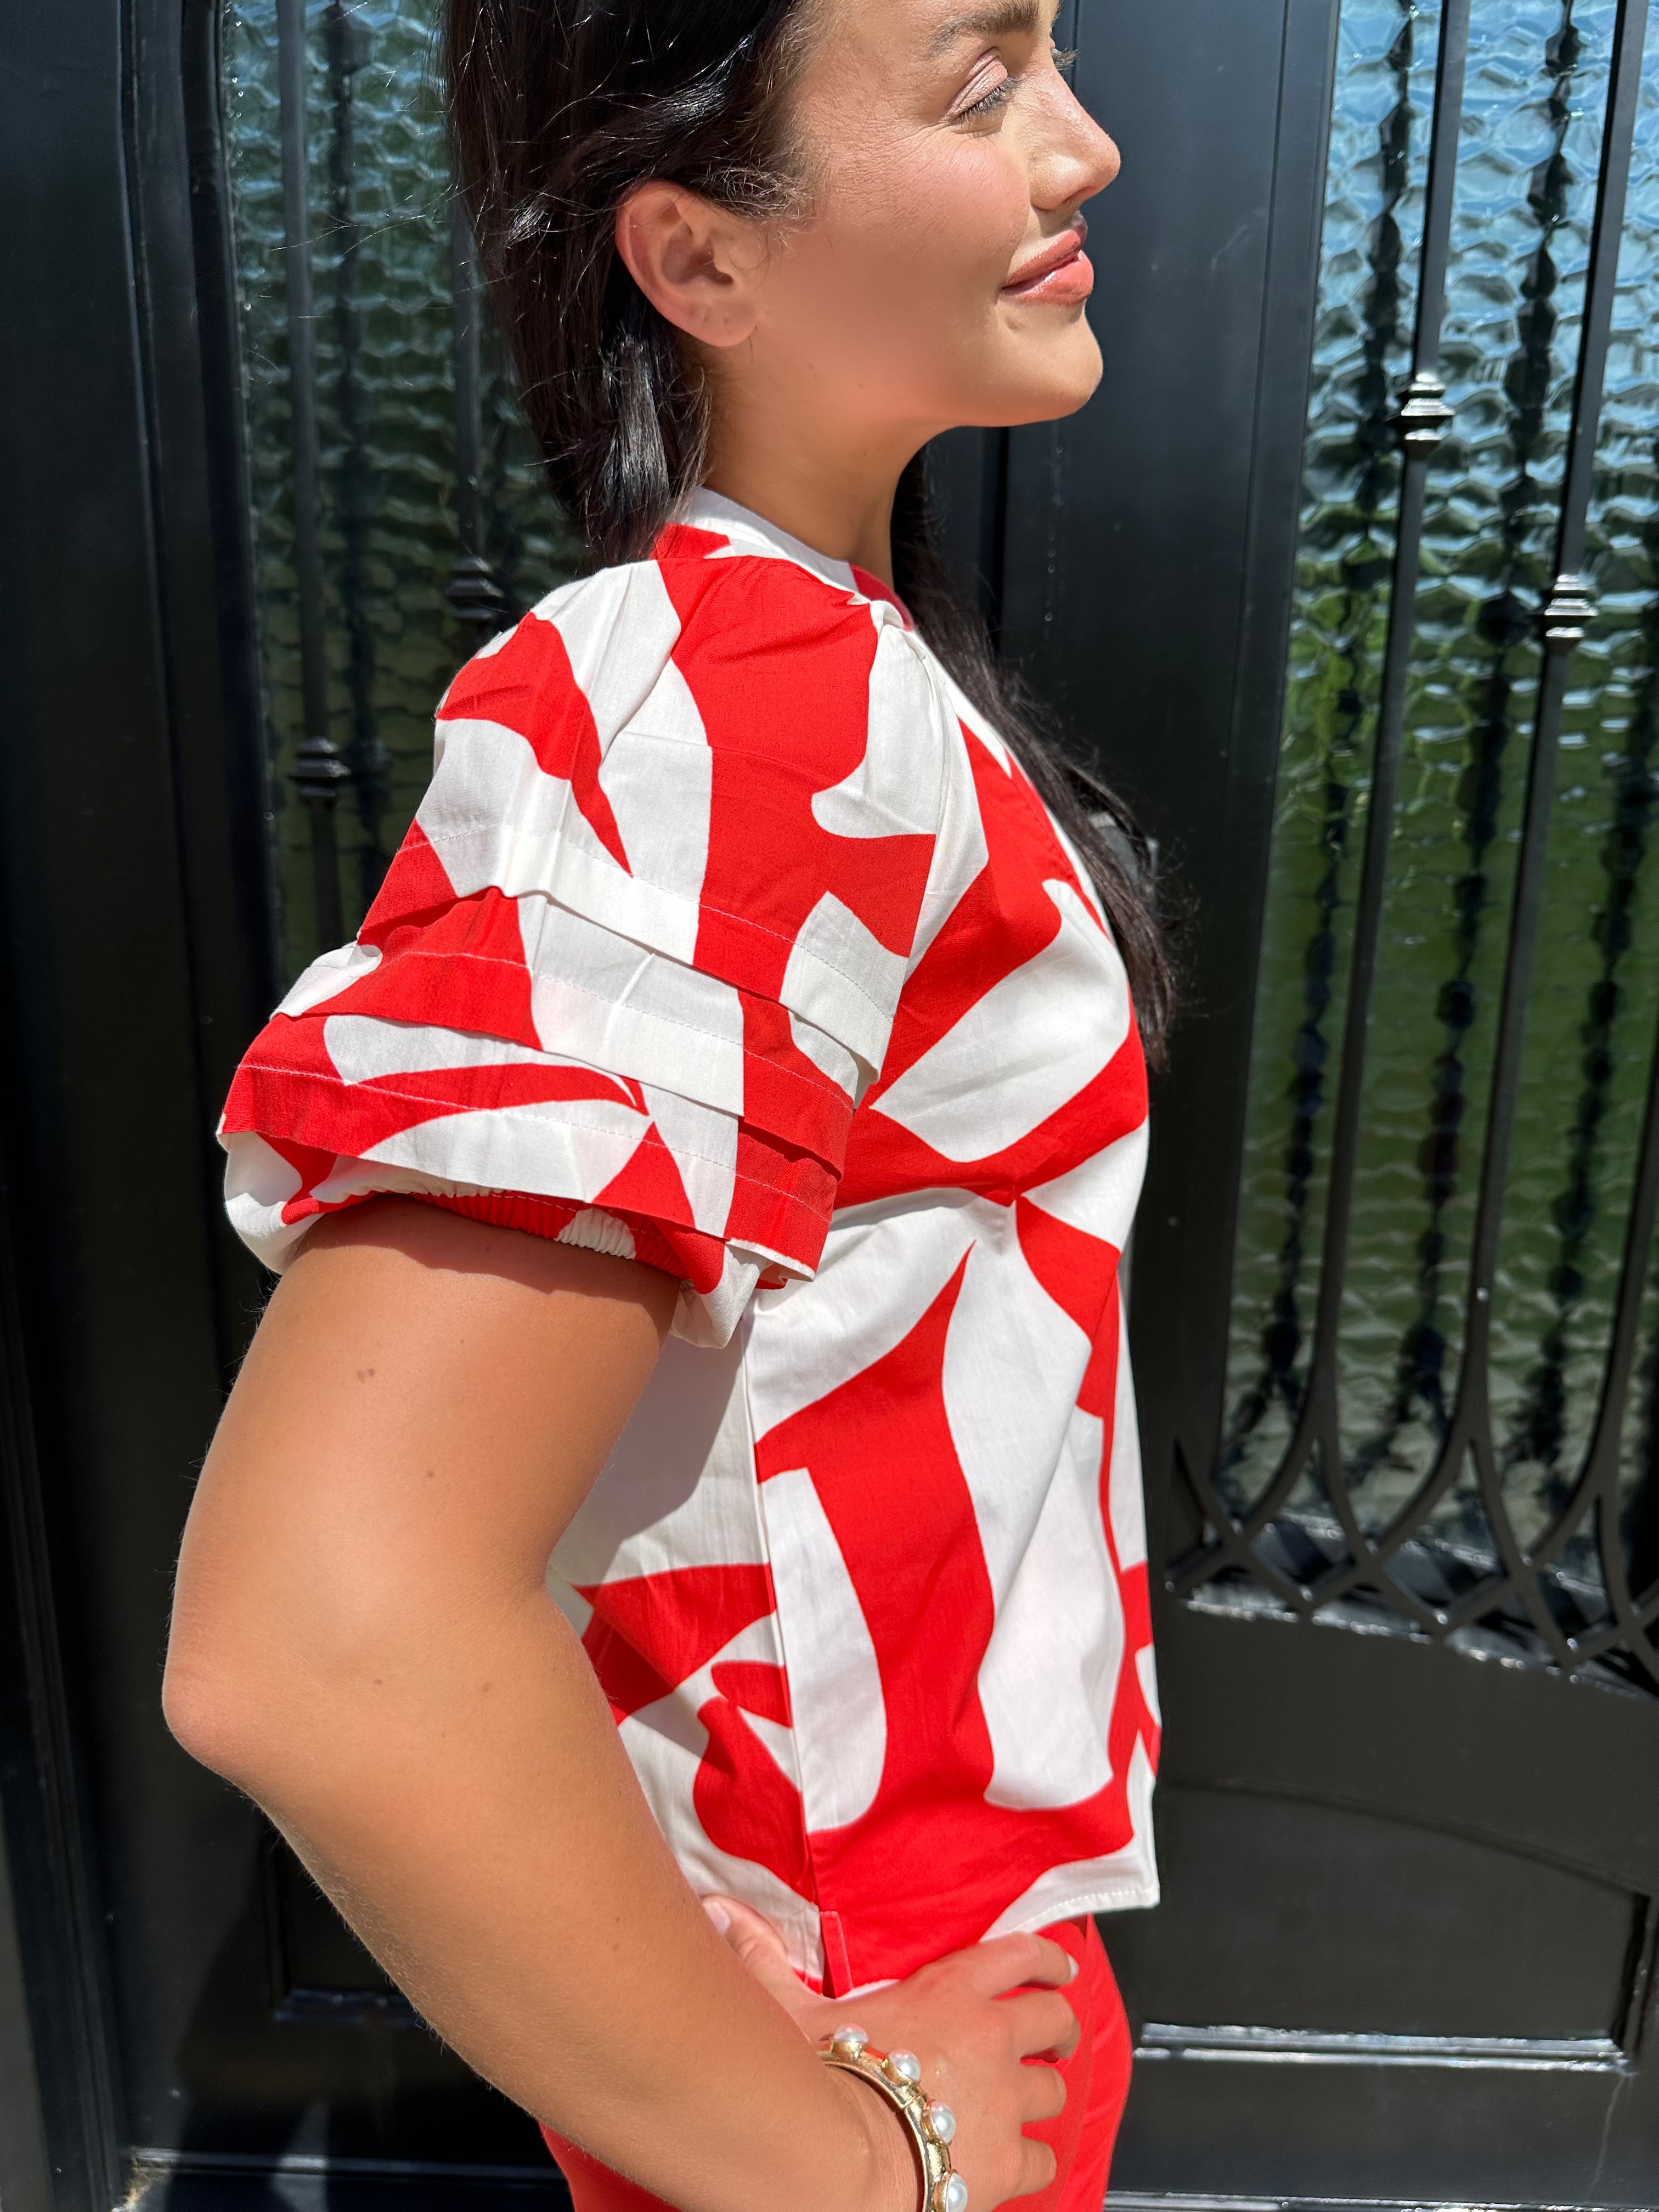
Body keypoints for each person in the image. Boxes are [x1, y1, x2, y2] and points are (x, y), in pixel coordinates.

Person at [162, 1, 1173, 2207]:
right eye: (981, 82)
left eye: (1056, 55)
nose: (1085, 144)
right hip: (872, 1996)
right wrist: (850, 2166)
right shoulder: (738, 698)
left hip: (894, 1957)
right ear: (700, 256)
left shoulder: (819, 674)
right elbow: (325, 1635)